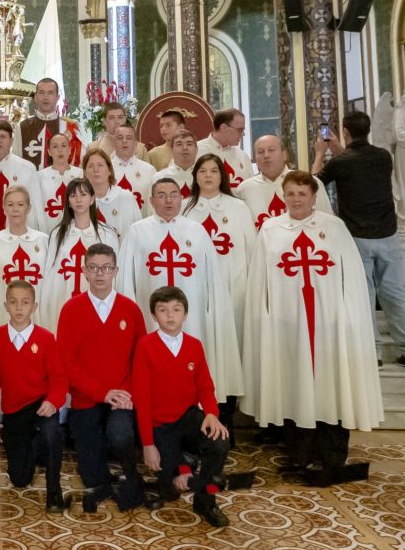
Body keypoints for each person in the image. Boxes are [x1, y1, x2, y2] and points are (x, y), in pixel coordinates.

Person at [243, 170, 383, 485]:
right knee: (295, 385)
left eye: (302, 194)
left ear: (313, 197)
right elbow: (259, 282)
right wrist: (265, 318)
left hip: (329, 322)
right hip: (287, 323)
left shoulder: (334, 228)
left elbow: (353, 280)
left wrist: (347, 318)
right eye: (290, 194)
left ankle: (333, 455)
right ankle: (299, 455)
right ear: (283, 195)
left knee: (332, 386)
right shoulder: (271, 229)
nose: (296, 200)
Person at [117, 178, 243, 415]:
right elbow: (126, 281)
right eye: (161, 195)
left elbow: (212, 279)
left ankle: (196, 421)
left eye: (173, 194)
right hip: (150, 315)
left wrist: (211, 312)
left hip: (192, 318)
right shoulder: (137, 231)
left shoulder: (196, 231)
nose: (168, 200)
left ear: (180, 198)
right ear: (152, 200)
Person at [57, 243, 146, 513]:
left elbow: (140, 360)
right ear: (84, 271)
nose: (100, 274)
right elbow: (67, 363)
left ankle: (131, 472)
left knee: (120, 435)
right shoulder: (71, 309)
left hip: (122, 397)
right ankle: (104, 470)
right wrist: (101, 392)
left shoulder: (130, 309)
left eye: (106, 268)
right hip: (86, 398)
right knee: (92, 476)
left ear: (115, 271)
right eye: (93, 268)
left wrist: (124, 393)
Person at [133, 286, 231, 527]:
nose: (170, 315)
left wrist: (211, 414)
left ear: (185, 314)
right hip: (160, 424)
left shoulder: (194, 345)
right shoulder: (145, 346)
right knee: (171, 490)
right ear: (154, 316)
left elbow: (205, 387)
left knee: (219, 440)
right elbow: (142, 399)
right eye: (163, 310)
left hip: (187, 418)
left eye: (176, 310)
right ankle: (186, 465)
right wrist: (148, 445)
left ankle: (206, 500)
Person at [312, 112, 405, 366]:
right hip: (387, 234)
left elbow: (314, 185)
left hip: (357, 238)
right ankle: (404, 345)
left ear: (345, 131)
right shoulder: (383, 157)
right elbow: (356, 161)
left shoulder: (341, 163)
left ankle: (371, 352)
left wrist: (321, 153)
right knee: (396, 293)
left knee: (363, 295)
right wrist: (339, 146)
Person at [0, 280, 69, 513]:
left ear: (34, 306)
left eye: (25, 303)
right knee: (19, 479)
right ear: (6, 305)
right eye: (13, 303)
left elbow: (59, 379)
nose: (19, 308)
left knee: (52, 433)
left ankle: (54, 492)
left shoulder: (45, 338)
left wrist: (53, 401)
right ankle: (34, 445)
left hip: (41, 404)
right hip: (14, 411)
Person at [182, 155, 255, 360]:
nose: (208, 175)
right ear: (195, 176)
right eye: (203, 171)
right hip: (195, 281)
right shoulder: (184, 208)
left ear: (222, 176)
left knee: (231, 333)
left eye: (214, 171)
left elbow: (251, 249)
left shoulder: (238, 207)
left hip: (232, 280)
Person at [40, 178, 119, 326]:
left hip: (100, 300)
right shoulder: (57, 235)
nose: (78, 199)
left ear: (92, 199)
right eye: (73, 195)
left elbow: (115, 275)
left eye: (83, 194)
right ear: (68, 202)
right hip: (64, 299)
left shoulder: (107, 234)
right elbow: (50, 276)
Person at [0, 186, 49, 328]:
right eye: (10, 204)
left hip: (39, 319)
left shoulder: (43, 240)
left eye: (20, 204)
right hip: (4, 318)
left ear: (28, 208)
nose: (15, 209)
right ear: (4, 208)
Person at [239, 134, 331, 230]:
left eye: (271, 150)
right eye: (260, 152)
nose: (266, 155)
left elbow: (327, 223)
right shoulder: (244, 189)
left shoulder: (309, 182)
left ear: (284, 155)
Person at [13, 78, 83, 169]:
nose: (46, 97)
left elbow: (78, 164)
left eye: (50, 93)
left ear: (57, 98)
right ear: (35, 97)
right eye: (41, 92)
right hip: (30, 182)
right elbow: (16, 161)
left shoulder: (70, 127)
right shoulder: (22, 127)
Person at [83, 148, 141, 238]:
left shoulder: (126, 198)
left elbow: (138, 233)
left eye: (100, 165)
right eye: (90, 166)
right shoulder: (79, 200)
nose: (96, 170)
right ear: (85, 173)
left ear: (109, 170)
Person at [35, 133, 84, 232]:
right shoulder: (39, 177)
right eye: (55, 146)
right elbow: (37, 210)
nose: (60, 150)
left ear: (70, 150)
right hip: (49, 231)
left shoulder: (81, 174)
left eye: (64, 145)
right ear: (49, 151)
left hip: (77, 231)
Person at [196, 108, 252, 189]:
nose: (243, 134)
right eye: (240, 130)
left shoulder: (242, 156)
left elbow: (250, 187)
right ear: (223, 127)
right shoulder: (195, 151)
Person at [111, 125, 156, 208]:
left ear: (136, 143)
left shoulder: (149, 170)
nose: (124, 141)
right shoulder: (105, 170)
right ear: (113, 143)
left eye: (129, 138)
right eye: (120, 138)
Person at [153, 128, 198, 197]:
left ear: (196, 149)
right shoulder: (159, 178)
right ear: (172, 149)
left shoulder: (207, 177)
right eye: (179, 144)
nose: (185, 148)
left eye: (189, 144)